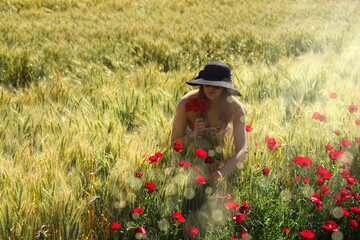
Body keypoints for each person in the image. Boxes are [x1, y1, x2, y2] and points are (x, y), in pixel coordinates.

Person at [171, 61, 248, 183]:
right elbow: (174, 143)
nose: (211, 89)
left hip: (219, 153)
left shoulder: (235, 108)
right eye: (207, 85)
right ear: (201, 84)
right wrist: (194, 133)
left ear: (226, 88)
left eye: (217, 86)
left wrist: (221, 172)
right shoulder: (186, 103)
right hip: (190, 157)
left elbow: (242, 150)